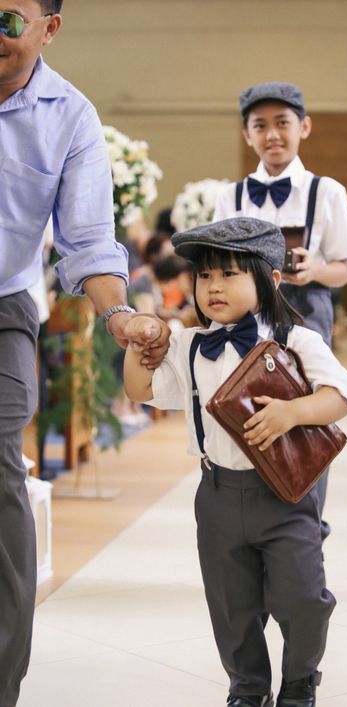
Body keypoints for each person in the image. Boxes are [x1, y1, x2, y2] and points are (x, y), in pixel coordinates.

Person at [0, 3, 167, 705]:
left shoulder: (68, 116)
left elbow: (90, 239)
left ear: (48, 28)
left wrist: (119, 312)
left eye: (9, 20)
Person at [124, 217, 347, 707]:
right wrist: (137, 343)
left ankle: (299, 683)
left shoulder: (294, 341)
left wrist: (293, 412)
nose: (213, 287)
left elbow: (341, 396)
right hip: (218, 496)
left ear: (269, 279)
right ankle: (247, 687)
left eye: (230, 274)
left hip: (285, 496)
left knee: (303, 598)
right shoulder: (188, 347)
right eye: (205, 276)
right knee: (231, 607)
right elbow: (140, 389)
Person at [213, 83, 347, 536]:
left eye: (283, 123)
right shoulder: (230, 196)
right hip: (244, 321)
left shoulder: (327, 191)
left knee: (306, 415)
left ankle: (305, 519)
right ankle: (248, 523)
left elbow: (345, 271)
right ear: (247, 135)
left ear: (304, 127)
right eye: (261, 125)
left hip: (306, 314)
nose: (273, 134)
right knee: (242, 410)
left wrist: (315, 269)